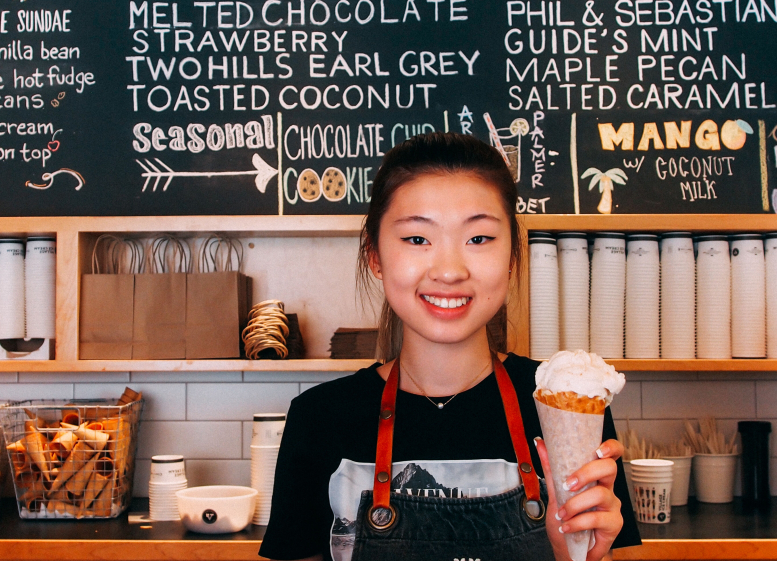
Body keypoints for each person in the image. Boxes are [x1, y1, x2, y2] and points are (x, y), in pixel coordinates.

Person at [259, 132, 640, 561]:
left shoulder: (566, 405)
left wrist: (576, 551)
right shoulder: (319, 419)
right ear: (375, 256)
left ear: (513, 257)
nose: (449, 271)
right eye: (417, 239)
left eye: (478, 239)